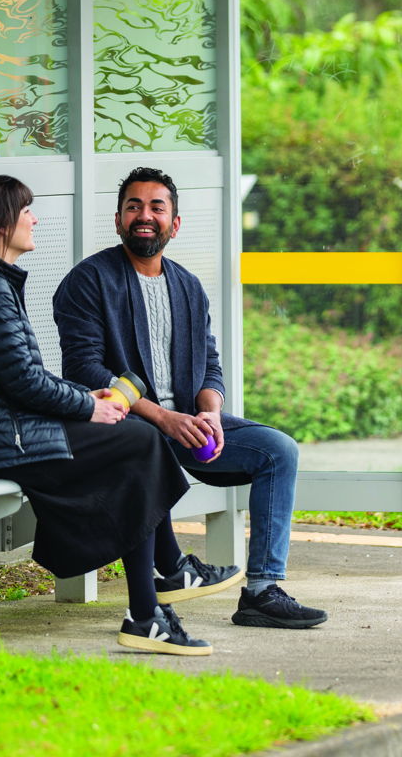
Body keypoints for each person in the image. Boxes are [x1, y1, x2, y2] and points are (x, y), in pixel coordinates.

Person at [0, 174, 210, 656]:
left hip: (11, 431)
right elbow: (23, 381)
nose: (34, 219)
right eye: (26, 211)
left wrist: (92, 398)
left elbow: (22, 376)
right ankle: (155, 598)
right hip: (2, 440)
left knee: (134, 441)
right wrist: (90, 406)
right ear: (2, 221)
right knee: (139, 440)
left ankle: (152, 604)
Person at [54, 167, 329, 629]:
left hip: (185, 425)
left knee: (279, 450)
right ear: (118, 220)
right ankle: (170, 570)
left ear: (174, 223)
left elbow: (210, 368)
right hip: (123, 428)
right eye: (133, 207)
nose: (145, 215)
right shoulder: (89, 282)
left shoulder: (188, 287)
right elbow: (84, 370)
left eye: (156, 207)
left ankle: (262, 590)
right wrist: (163, 418)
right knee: (146, 438)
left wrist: (210, 412)